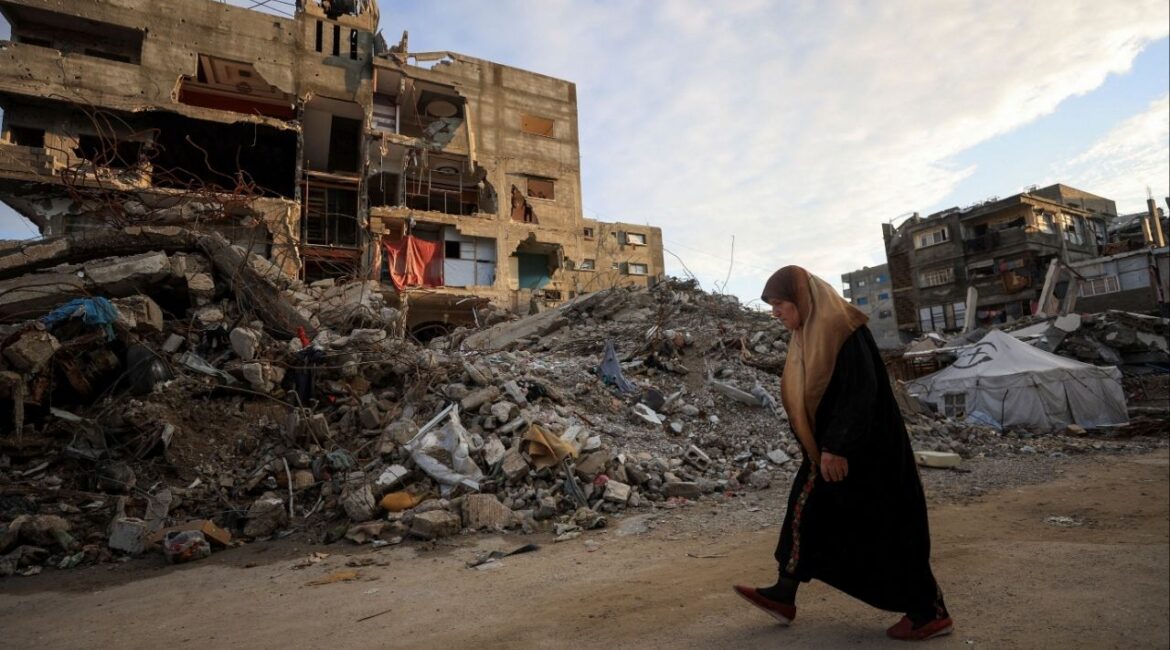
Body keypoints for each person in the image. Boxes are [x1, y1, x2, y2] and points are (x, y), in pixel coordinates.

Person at [733, 265, 953, 641]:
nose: (775, 312)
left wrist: (838, 446)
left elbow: (859, 394)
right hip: (831, 452)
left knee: (886, 527)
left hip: (867, 454)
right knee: (807, 512)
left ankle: (929, 612)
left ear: (802, 299)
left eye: (781, 303)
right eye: (772, 306)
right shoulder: (808, 334)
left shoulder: (843, 331)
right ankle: (785, 591)